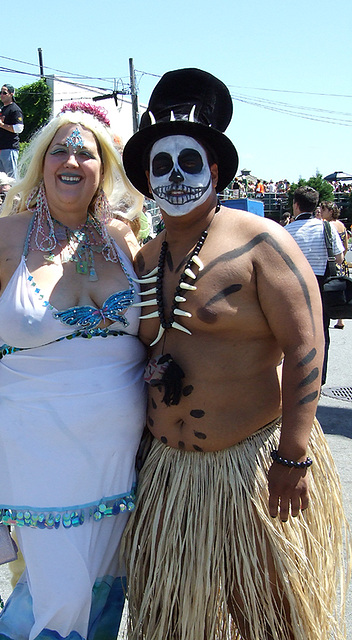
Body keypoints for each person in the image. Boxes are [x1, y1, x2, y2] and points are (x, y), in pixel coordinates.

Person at [120, 68, 351, 640]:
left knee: (268, 616)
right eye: (161, 166)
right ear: (147, 179)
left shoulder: (262, 242)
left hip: (250, 466)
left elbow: (305, 346)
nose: (175, 178)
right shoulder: (144, 259)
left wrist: (293, 457)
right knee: (170, 620)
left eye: (190, 163)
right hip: (168, 475)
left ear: (216, 170)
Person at [0, 102, 147, 640]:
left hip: (119, 452)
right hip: (36, 449)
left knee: (103, 584)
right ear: (40, 163)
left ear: (103, 169)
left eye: (85, 153)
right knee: (59, 591)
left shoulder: (124, 238)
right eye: (59, 149)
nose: (71, 160)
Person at [286, 187, 344, 385]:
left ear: (296, 205)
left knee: (292, 332)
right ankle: (319, 378)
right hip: (323, 285)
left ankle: (295, 378)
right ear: (315, 205)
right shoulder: (327, 228)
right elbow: (339, 257)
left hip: (295, 287)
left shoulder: (286, 231)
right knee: (322, 332)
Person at [320, 201, 349, 329]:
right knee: (339, 292)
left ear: (330, 211)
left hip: (330, 263)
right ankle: (340, 319)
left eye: (323, 209)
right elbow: (345, 246)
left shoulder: (328, 225)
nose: (320, 212)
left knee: (329, 292)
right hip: (341, 262)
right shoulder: (342, 225)